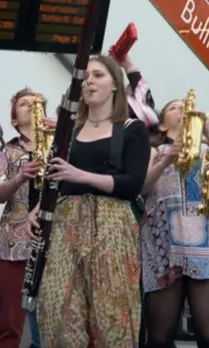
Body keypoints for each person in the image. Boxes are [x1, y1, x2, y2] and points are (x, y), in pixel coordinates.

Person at [34, 55, 151, 346]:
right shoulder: (70, 131)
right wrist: (37, 210)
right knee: (57, 309)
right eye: (86, 77)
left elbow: (132, 184)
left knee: (111, 315)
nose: (89, 81)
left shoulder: (131, 129)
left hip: (111, 225)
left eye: (98, 75)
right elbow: (58, 182)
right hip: (66, 225)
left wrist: (80, 174)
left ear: (115, 85)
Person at [140, 98, 209, 348]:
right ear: (163, 126)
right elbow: (142, 187)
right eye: (174, 108)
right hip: (162, 250)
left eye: (186, 107)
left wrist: (208, 128)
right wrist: (167, 159)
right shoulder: (154, 151)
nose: (183, 110)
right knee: (158, 337)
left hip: (207, 248)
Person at [0, 88, 50, 348]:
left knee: (51, 320)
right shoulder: (6, 151)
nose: (31, 106)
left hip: (56, 243)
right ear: (14, 119)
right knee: (10, 321)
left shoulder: (61, 146)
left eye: (36, 103)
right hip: (14, 247)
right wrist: (20, 176)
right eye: (24, 103)